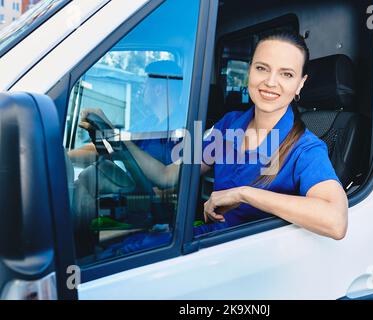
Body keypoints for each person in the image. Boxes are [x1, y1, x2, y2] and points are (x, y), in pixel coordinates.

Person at [74, 31, 348, 240]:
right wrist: (118, 139)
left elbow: (336, 221)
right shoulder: (227, 126)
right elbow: (168, 177)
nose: (270, 82)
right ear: (249, 70)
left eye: (286, 74)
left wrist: (243, 194)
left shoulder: (305, 148)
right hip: (205, 242)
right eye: (262, 68)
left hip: (246, 257)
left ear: (300, 84)